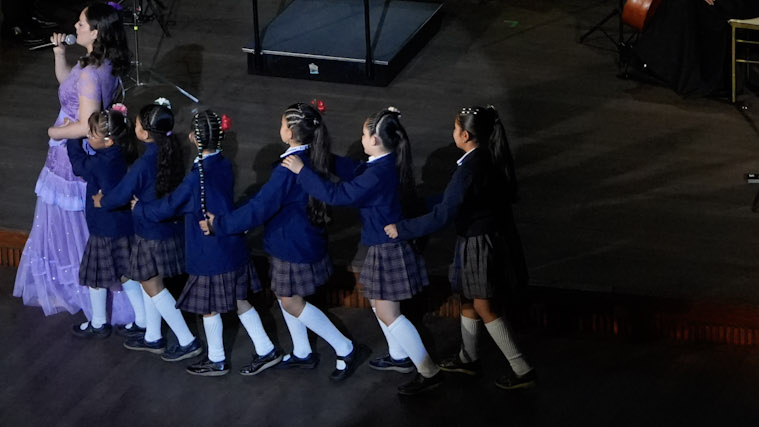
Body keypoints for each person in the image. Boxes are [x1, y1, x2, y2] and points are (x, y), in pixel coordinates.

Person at [285, 107, 443, 396]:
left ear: (374, 140)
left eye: (363, 134)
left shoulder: (377, 175)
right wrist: (323, 158)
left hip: (388, 249)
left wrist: (302, 171)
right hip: (384, 246)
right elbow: (355, 171)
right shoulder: (384, 164)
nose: (361, 138)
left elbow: (338, 195)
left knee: (387, 311)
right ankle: (399, 356)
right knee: (380, 306)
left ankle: (428, 371)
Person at [207, 100, 364, 380]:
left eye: (282, 124)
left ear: (291, 132)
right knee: (286, 296)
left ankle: (345, 347)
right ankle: (302, 351)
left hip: (292, 245)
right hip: (305, 240)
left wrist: (221, 224)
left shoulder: (288, 168)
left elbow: (260, 208)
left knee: (290, 301)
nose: (279, 128)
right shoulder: (317, 154)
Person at [388, 104, 533, 390]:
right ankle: (468, 358)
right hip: (482, 238)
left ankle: (522, 369)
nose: (452, 133)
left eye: (455, 129)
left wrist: (403, 228)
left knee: (483, 304)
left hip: (479, 243)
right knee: (468, 298)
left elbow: (444, 214)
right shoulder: (487, 158)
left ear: (465, 135)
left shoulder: (469, 168)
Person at [140, 108, 281, 377]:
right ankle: (266, 349)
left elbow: (170, 206)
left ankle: (216, 359)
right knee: (240, 300)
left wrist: (141, 209)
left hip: (210, 251)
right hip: (233, 245)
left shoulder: (197, 175)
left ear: (194, 138)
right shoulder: (224, 164)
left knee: (208, 307)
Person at [14, 6, 132, 320]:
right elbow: (69, 85)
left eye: (81, 23)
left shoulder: (94, 72)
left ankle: (83, 288)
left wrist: (55, 131)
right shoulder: (96, 61)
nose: (75, 26)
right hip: (70, 144)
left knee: (73, 219)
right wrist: (59, 53)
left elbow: (86, 122)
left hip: (73, 150)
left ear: (95, 32)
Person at [104, 98, 201, 359]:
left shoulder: (144, 163)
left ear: (144, 133)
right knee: (151, 283)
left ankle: (187, 340)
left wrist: (103, 199)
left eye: (136, 124)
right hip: (169, 230)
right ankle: (153, 336)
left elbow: (120, 195)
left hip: (150, 234)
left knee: (153, 287)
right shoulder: (173, 152)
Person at [63, 104, 151, 338]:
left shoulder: (100, 162)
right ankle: (142, 321)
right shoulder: (121, 154)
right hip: (124, 225)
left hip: (104, 227)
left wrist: (73, 137)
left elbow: (78, 165)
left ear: (108, 140)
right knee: (126, 273)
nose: (88, 136)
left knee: (96, 277)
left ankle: (99, 323)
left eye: (92, 134)